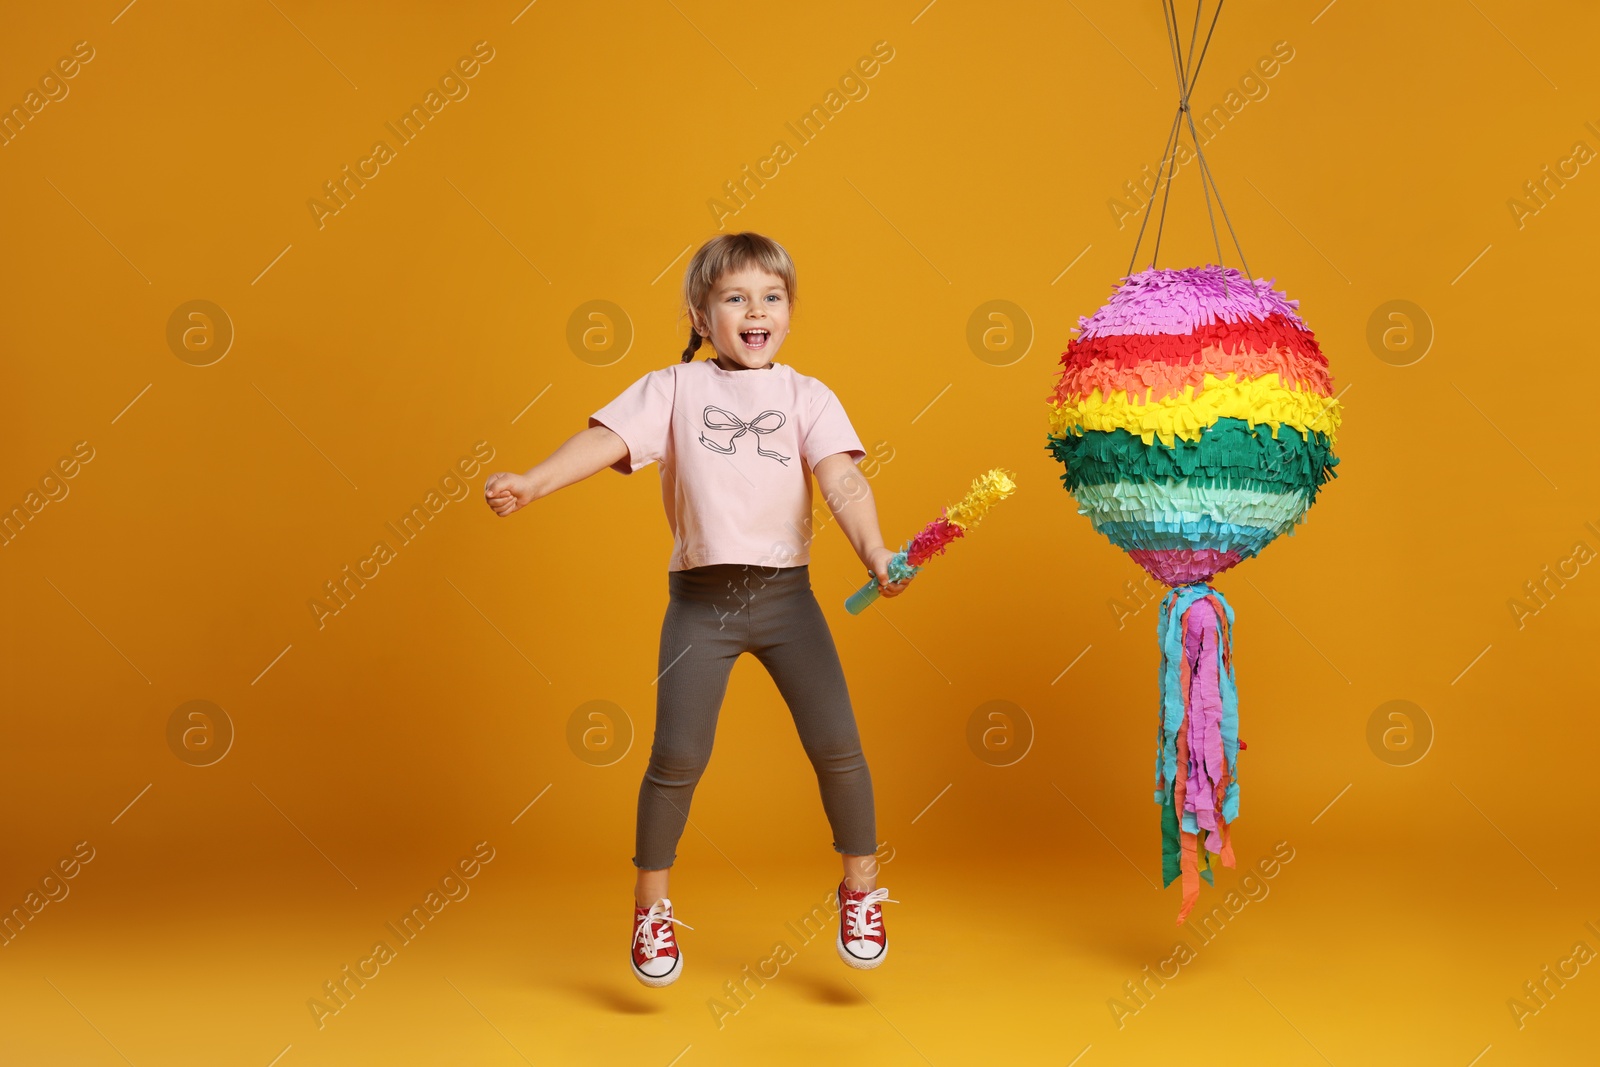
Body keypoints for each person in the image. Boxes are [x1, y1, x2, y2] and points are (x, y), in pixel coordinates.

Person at [484, 232, 907, 988]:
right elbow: (602, 440)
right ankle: (650, 906)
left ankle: (862, 888)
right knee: (676, 759)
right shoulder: (673, 389)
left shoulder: (808, 395)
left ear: (789, 311)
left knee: (838, 746)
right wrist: (535, 482)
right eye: (735, 297)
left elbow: (842, 480)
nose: (755, 311)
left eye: (771, 297)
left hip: (788, 600)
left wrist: (874, 550)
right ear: (700, 313)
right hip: (701, 606)